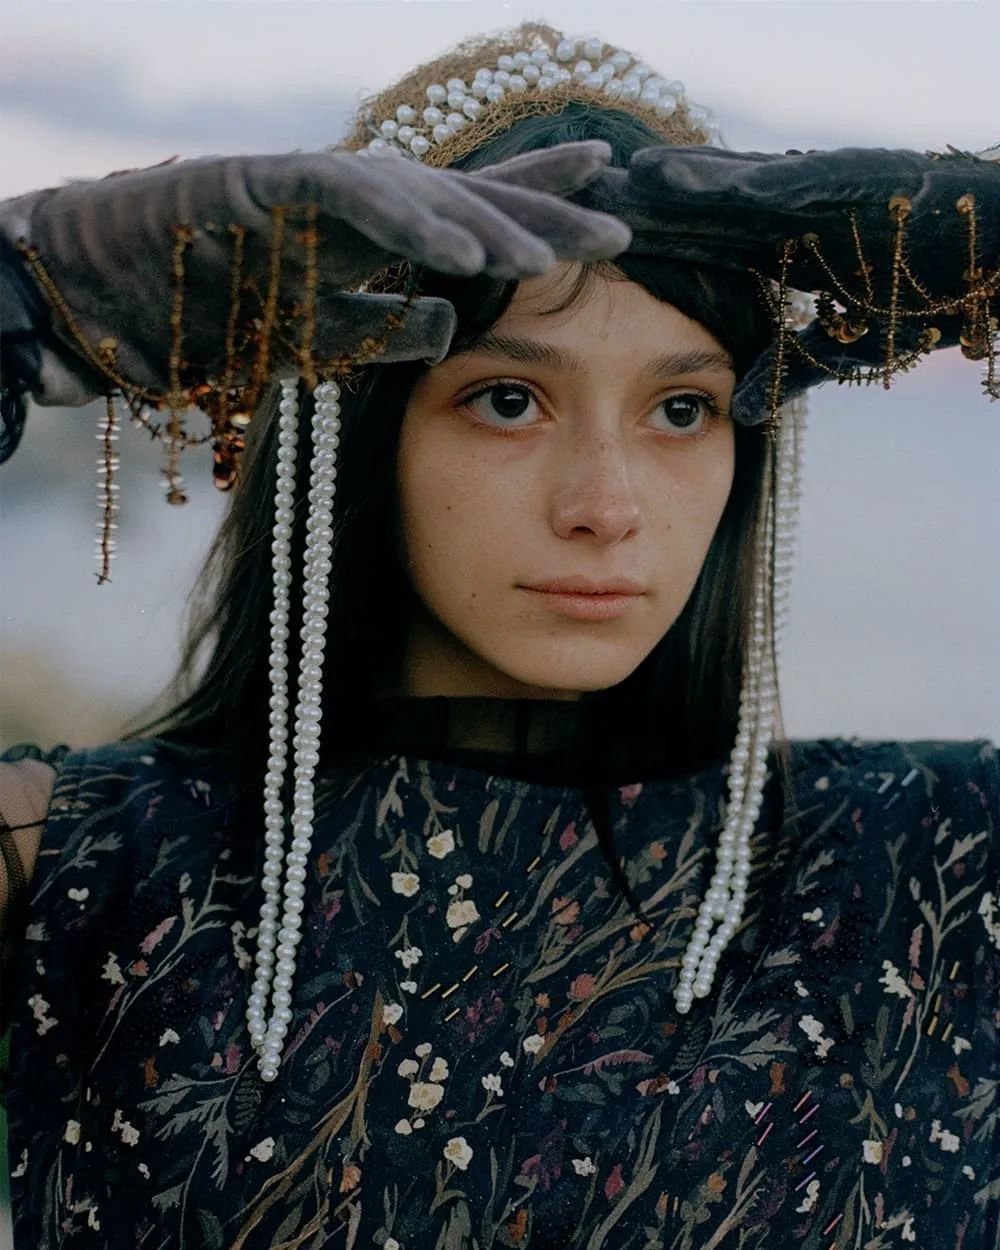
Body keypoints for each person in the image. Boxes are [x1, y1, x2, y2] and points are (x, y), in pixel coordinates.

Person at [0, 18, 997, 1250]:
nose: (606, 505)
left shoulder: (937, 865)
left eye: (682, 408)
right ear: (364, 420)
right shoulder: (81, 865)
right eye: (510, 399)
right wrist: (20, 298)